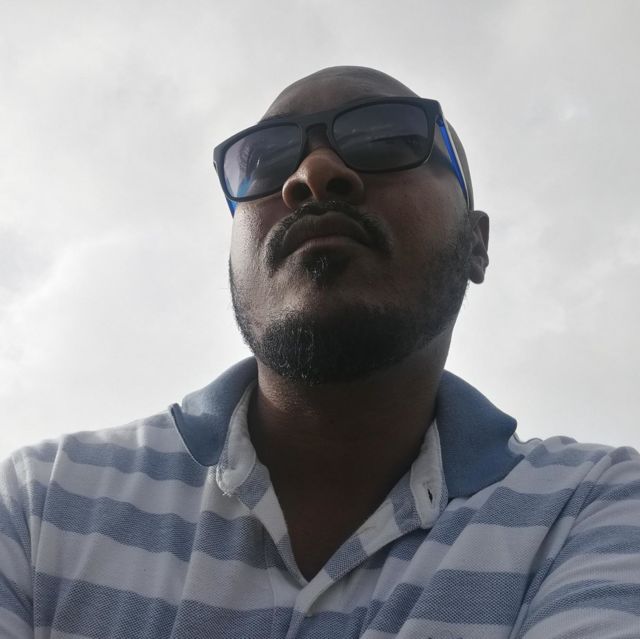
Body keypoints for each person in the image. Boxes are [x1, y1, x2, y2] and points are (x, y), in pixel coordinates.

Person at [1, 66, 639, 639]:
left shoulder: (589, 511)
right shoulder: (41, 505)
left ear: (476, 243)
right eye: (265, 160)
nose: (313, 174)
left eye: (386, 138)